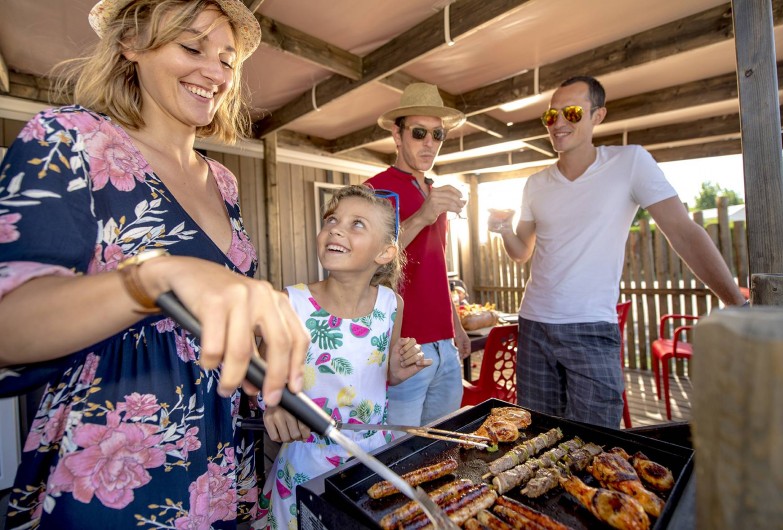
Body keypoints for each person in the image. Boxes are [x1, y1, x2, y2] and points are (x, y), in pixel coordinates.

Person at [0, 1, 309, 528]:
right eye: (192, 47)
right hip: (116, 475)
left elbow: (212, 312)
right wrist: (152, 280)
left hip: (223, 461)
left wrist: (267, 365)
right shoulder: (70, 140)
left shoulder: (224, 182)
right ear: (132, 44)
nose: (215, 72)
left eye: (228, 60)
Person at [488, 76, 746, 429]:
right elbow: (521, 251)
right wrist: (504, 229)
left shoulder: (630, 162)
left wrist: (738, 304)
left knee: (597, 444)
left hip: (592, 327)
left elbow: (684, 233)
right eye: (551, 116)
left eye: (573, 112)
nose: (559, 123)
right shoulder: (535, 184)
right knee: (537, 435)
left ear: (599, 116)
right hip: (534, 325)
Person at [254, 185, 429, 530]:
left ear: (385, 252)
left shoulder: (391, 304)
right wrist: (275, 404)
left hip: (373, 458)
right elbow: (259, 374)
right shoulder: (290, 303)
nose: (335, 228)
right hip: (307, 461)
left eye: (356, 224)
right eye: (332, 219)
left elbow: (382, 374)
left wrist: (397, 368)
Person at [364, 83, 471, 428]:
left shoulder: (434, 192)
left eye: (437, 135)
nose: (429, 143)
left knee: (445, 449)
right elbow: (367, 262)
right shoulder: (373, 190)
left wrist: (456, 328)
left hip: (445, 347)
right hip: (403, 347)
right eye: (419, 132)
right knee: (400, 457)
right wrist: (423, 216)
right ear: (397, 135)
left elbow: (437, 269)